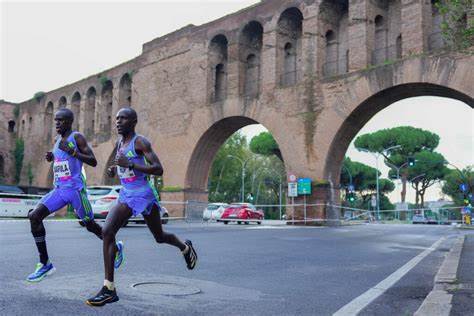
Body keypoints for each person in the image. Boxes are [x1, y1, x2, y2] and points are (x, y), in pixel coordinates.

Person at [86, 107, 197, 307]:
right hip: (127, 194)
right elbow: (124, 164)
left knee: (160, 236)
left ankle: (185, 247)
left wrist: (131, 165)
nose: (118, 122)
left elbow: (158, 169)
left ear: (133, 122)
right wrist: (115, 169)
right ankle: (109, 288)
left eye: (123, 118)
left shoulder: (140, 142)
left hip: (143, 194)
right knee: (108, 231)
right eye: (117, 118)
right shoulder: (120, 142)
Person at [27, 108, 124, 282]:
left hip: (75, 192)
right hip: (59, 190)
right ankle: (44, 263)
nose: (57, 123)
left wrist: (73, 152)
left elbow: (93, 161)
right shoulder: (58, 141)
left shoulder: (77, 137)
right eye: (56, 120)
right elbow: (61, 160)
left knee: (90, 225)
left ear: (69, 122)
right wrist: (52, 157)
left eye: (61, 121)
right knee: (34, 216)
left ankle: (115, 248)